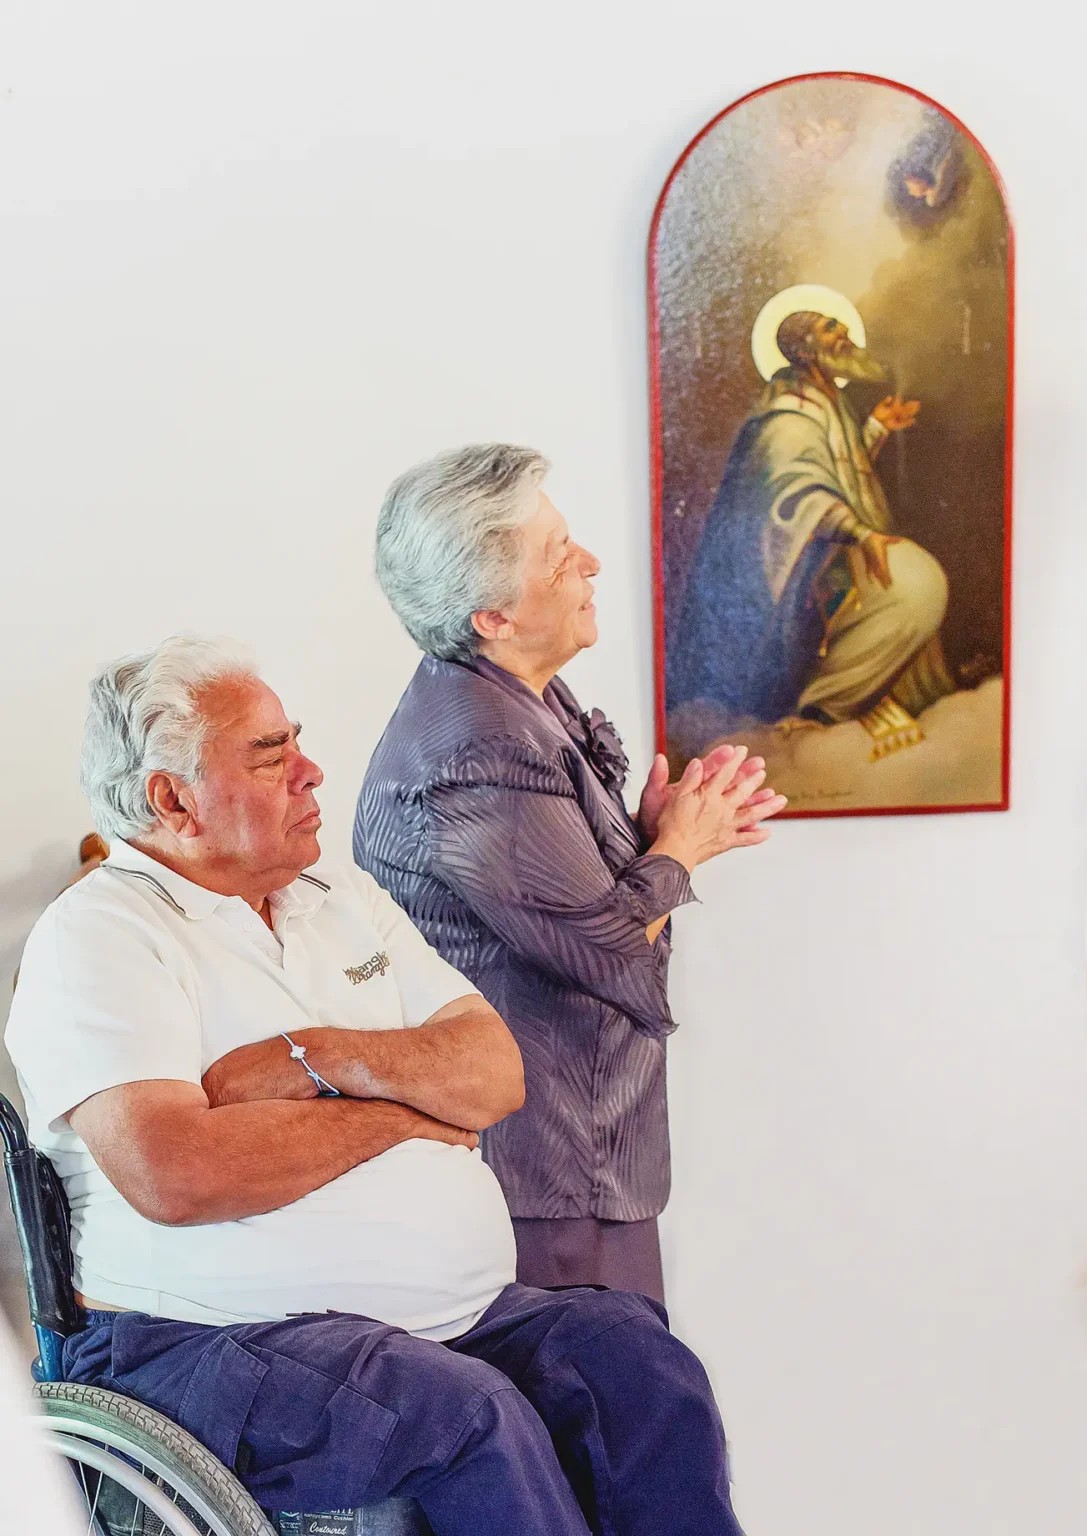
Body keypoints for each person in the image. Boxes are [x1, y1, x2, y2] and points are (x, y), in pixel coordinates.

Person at [5, 634, 746, 1536]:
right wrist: (399, 1117)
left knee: (634, 1360)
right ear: (172, 799)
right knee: (460, 1413)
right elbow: (177, 1173)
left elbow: (492, 1072)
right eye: (272, 755)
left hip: (447, 1317)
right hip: (193, 1339)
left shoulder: (338, 894)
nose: (313, 772)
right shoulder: (103, 934)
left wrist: (320, 1058)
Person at [356, 444, 786, 1302]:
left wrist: (650, 837)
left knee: (626, 1412)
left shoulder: (517, 700)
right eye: (558, 553)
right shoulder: (478, 749)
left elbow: (547, 904)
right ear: (492, 616)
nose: (588, 562)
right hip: (539, 1162)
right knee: (596, 1414)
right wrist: (679, 850)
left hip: (569, 1149)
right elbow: (608, 950)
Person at [667, 310, 957, 748]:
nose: (843, 333)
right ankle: (824, 706)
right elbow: (796, 490)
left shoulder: (825, 399)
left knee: (915, 586)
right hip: (803, 564)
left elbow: (840, 471)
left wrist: (876, 429)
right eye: (829, 328)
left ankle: (854, 697)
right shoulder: (787, 412)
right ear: (803, 350)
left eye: (841, 324)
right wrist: (862, 535)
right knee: (915, 586)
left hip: (833, 549)